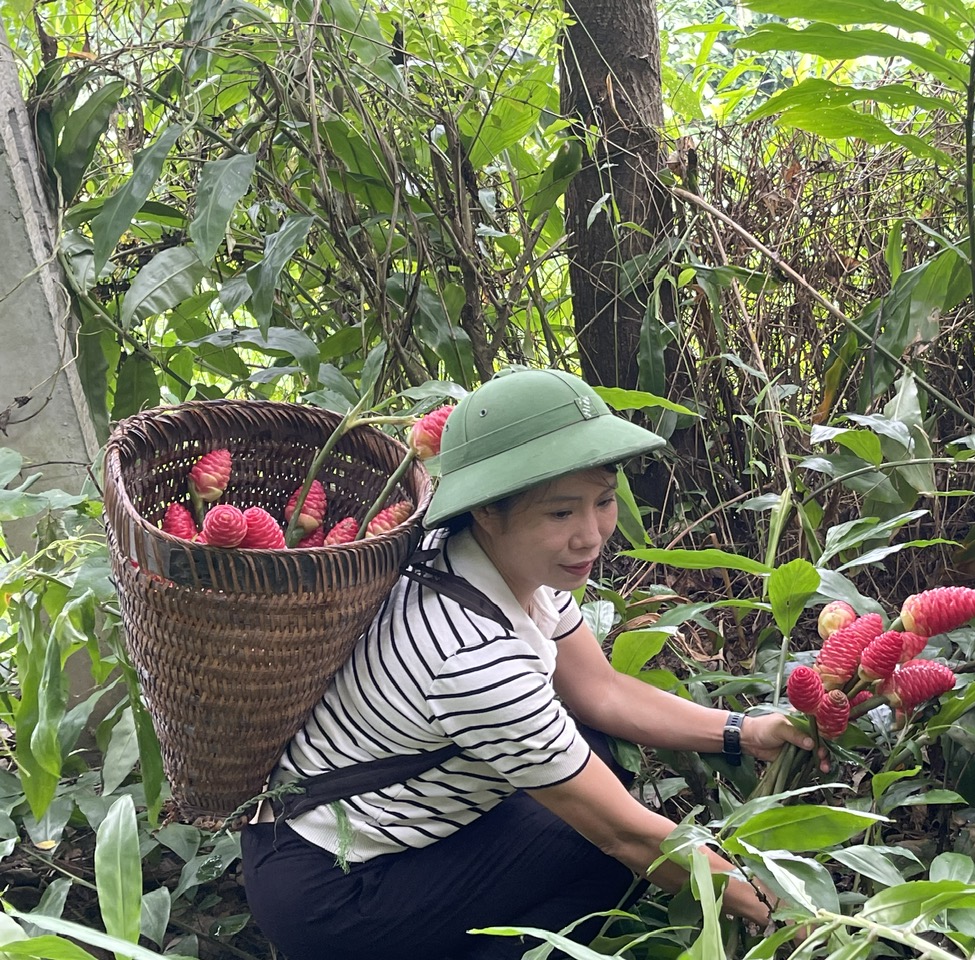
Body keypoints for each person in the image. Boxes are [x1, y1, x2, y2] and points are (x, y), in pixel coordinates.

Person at [240, 367, 815, 959]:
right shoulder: (471, 657)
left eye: (603, 502)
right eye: (561, 514)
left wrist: (743, 733)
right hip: (335, 889)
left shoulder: (491, 562)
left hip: (352, 832)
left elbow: (602, 692)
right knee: (603, 847)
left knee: (594, 760)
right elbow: (625, 835)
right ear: (488, 510)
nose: (591, 536)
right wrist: (776, 905)